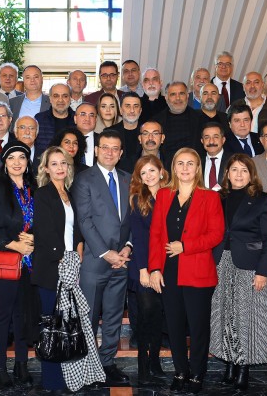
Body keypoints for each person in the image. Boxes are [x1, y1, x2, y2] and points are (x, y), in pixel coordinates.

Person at [148, 148, 225, 394]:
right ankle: (180, 371)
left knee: (198, 327)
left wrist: (186, 246)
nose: (184, 168)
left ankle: (197, 374)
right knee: (174, 326)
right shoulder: (163, 195)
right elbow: (156, 234)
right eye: (180, 163)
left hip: (198, 272)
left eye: (190, 163)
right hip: (169, 271)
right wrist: (154, 268)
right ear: (173, 167)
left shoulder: (210, 197)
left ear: (197, 168)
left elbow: (216, 234)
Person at [33, 147, 106, 393]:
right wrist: (63, 258)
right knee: (53, 326)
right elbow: (44, 232)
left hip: (72, 265)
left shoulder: (69, 193)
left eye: (63, 163)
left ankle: (71, 377)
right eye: (54, 164)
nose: (59, 168)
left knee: (70, 324)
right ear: (46, 168)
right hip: (51, 268)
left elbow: (76, 229)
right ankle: (52, 382)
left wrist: (79, 250)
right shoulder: (43, 194)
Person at [209, 154, 267, 391]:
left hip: (250, 266)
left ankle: (243, 367)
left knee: (245, 318)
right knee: (224, 316)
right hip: (221, 263)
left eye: (244, 170)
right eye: (234, 170)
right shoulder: (218, 198)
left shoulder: (262, 199)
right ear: (227, 173)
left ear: (251, 174)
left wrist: (263, 271)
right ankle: (229, 363)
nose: (239, 174)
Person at [71, 130, 133, 386]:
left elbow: (132, 218)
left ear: (121, 153)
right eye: (105, 147)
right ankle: (87, 367)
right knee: (88, 317)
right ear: (96, 150)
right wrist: (107, 253)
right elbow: (84, 220)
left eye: (115, 148)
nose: (109, 152)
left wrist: (128, 247)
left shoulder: (128, 179)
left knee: (114, 316)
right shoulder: (84, 179)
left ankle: (107, 363)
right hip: (95, 261)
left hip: (122, 261)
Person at [0, 142, 36, 389]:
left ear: (27, 162)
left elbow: (45, 222)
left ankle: (21, 364)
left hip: (30, 263)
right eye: (11, 157)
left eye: (21, 157)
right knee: (2, 317)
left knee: (22, 317)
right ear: (4, 163)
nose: (16, 162)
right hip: (5, 261)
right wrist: (15, 245)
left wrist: (34, 239)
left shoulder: (35, 188)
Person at [126, 155, 170, 385]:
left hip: (166, 265)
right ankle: (143, 368)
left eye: (152, 170)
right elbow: (139, 238)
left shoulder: (172, 195)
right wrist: (144, 269)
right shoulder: (138, 199)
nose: (149, 176)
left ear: (161, 171)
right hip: (142, 266)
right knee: (145, 318)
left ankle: (155, 363)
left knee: (158, 317)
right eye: (143, 173)